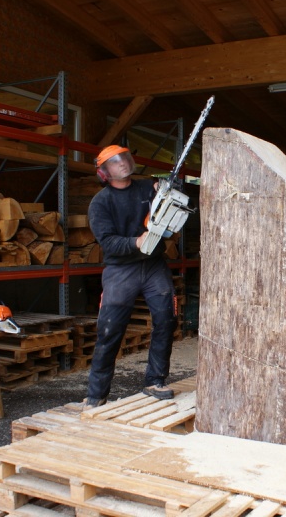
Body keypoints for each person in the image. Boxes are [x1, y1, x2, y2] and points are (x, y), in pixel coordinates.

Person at [85, 145, 178, 407]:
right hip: (120, 269)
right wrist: (136, 242)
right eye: (115, 162)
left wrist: (167, 190)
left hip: (154, 265)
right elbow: (108, 242)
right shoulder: (101, 203)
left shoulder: (147, 188)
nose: (122, 164)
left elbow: (173, 204)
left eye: (124, 159)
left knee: (166, 320)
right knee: (110, 329)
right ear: (104, 171)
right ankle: (96, 394)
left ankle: (155, 380)